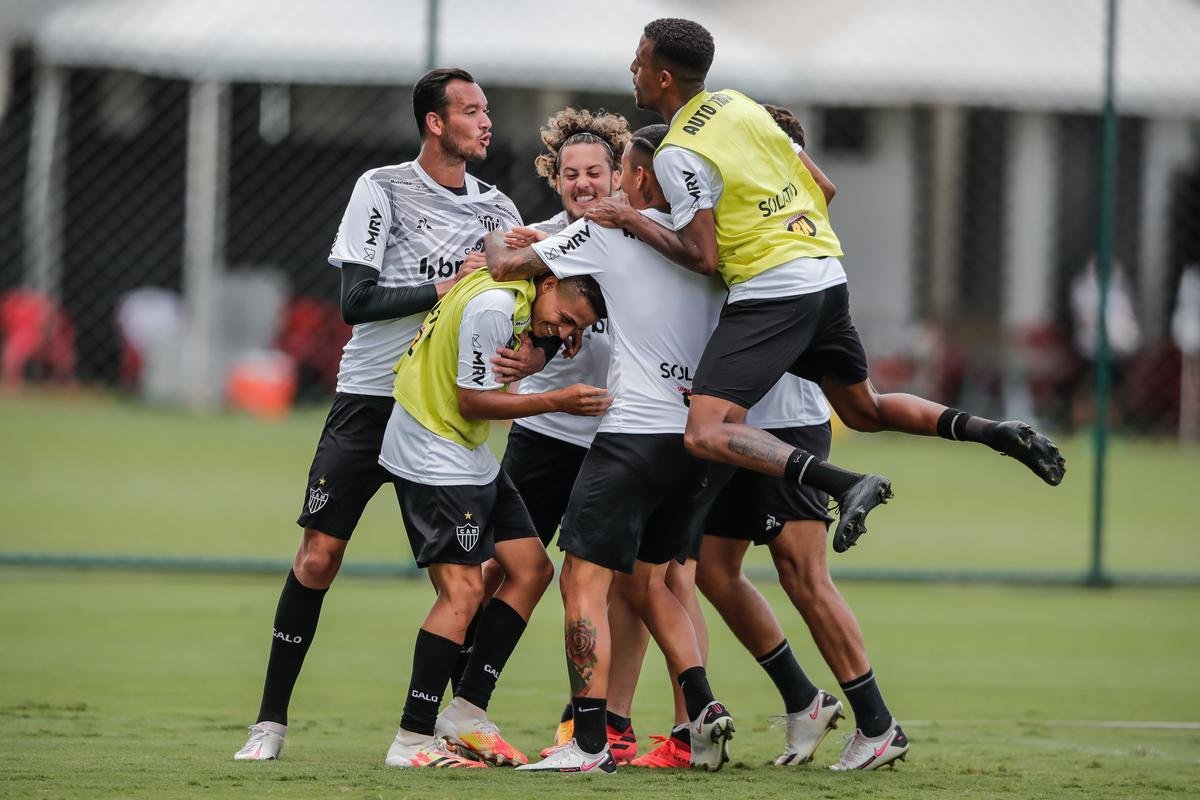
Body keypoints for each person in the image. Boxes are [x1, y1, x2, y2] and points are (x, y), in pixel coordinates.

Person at [586, 18, 1066, 554]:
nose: (634, 71)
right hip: (824, 272)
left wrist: (631, 220)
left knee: (704, 431)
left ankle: (843, 482)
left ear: (666, 77)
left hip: (772, 288)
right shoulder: (742, 106)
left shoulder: (677, 151)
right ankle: (993, 431)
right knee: (865, 408)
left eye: (640, 62)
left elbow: (703, 256)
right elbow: (825, 188)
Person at [233, 67, 528, 762]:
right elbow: (355, 302)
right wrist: (443, 285)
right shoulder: (383, 187)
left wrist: (530, 355)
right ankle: (269, 724)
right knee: (319, 557)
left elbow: (519, 310)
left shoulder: (503, 214)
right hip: (371, 400)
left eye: (486, 110)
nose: (486, 121)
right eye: (471, 110)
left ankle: (438, 725)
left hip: (443, 414)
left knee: (478, 576)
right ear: (435, 121)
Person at [488, 124, 735, 775]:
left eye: (623, 167)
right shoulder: (715, 246)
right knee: (654, 584)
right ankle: (703, 712)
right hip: (698, 437)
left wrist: (504, 236)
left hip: (633, 433)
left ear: (644, 179)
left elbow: (505, 267)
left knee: (582, 580)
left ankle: (590, 741)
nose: (614, 181)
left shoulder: (608, 229)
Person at [380, 266, 610, 769]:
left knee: (532, 569)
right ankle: (412, 738)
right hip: (432, 449)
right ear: (548, 285)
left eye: (578, 329)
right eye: (567, 319)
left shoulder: (518, 296)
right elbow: (472, 402)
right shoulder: (495, 308)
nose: (566, 333)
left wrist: (540, 348)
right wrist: (559, 401)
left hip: (466, 452)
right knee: (461, 592)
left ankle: (465, 711)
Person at [487, 108, 645, 763]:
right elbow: (500, 280)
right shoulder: (542, 240)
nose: (583, 183)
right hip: (543, 432)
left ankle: (607, 722)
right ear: (556, 178)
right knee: (498, 569)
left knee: (617, 584)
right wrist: (531, 348)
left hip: (612, 440)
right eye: (571, 173)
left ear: (619, 176)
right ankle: (461, 709)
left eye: (596, 172)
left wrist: (546, 351)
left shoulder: (638, 241)